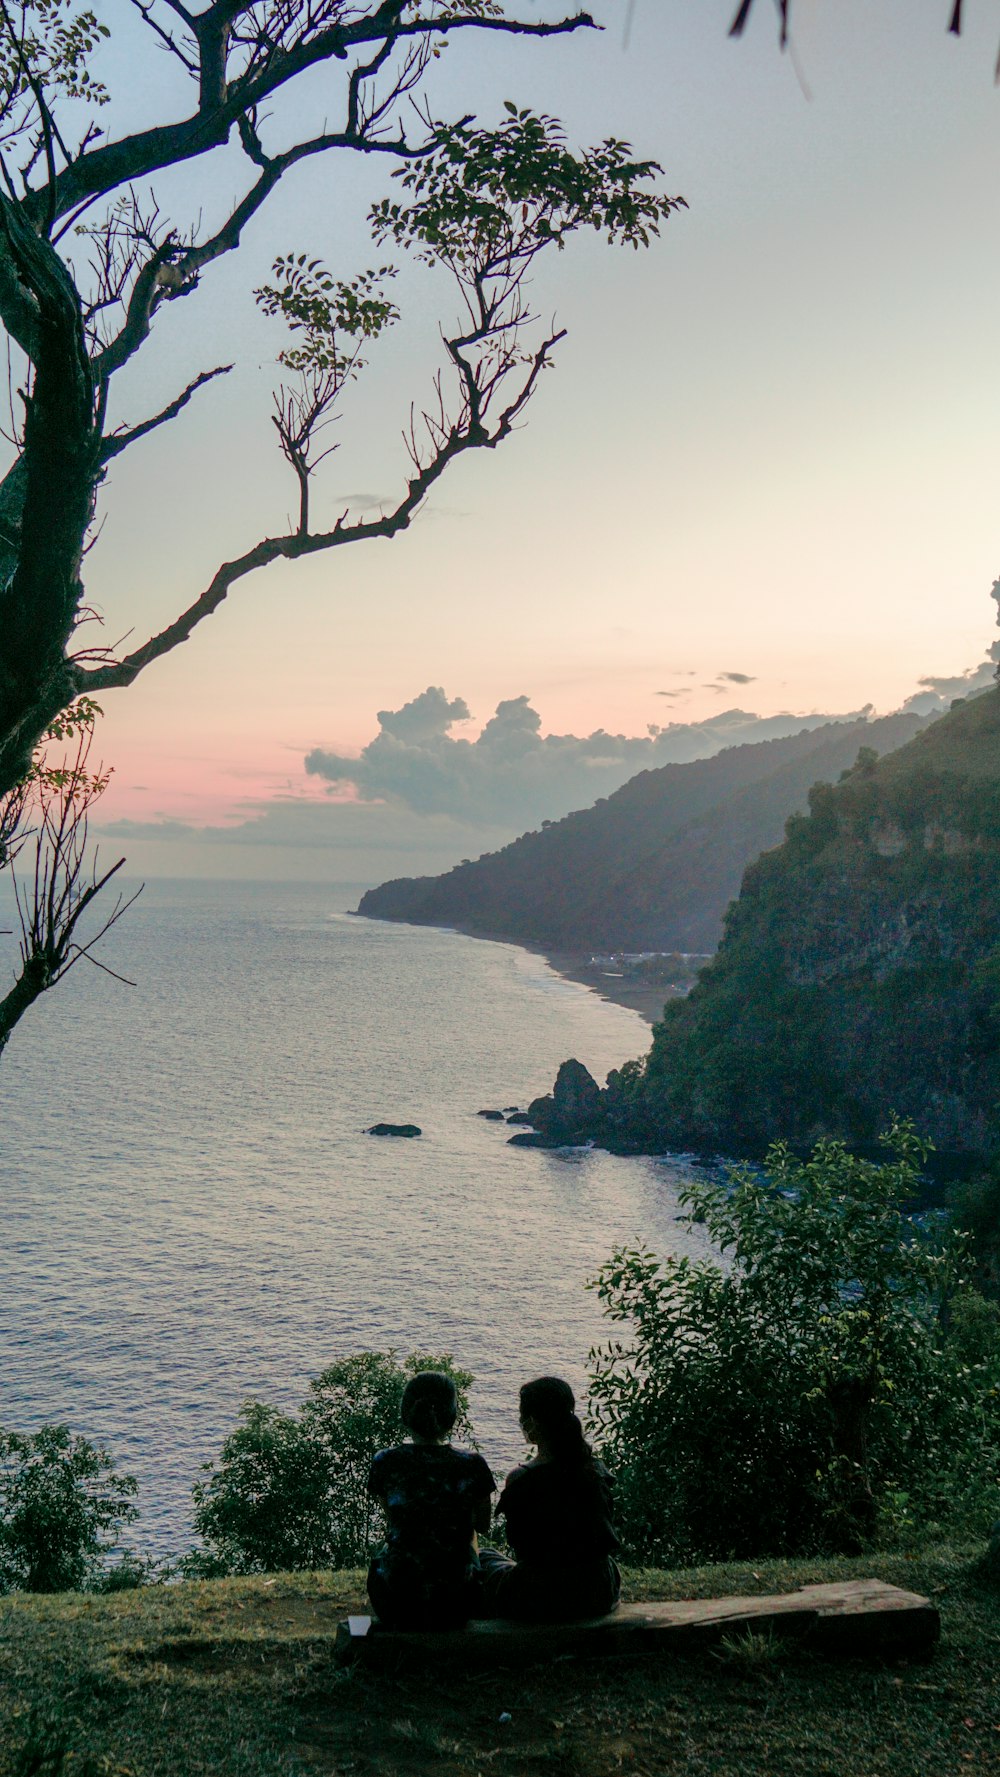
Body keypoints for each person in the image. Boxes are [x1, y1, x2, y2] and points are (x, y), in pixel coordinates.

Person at [475, 1375, 622, 1623]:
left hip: (542, 1595)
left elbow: (522, 1547)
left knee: (484, 1557)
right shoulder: (596, 1471)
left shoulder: (522, 1479)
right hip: (599, 1588)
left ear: (532, 1421)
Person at [366, 1370, 494, 1630]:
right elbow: (482, 1524)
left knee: (387, 1553)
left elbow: (395, 1518)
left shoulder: (386, 1462)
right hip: (457, 1604)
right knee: (478, 1550)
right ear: (451, 1416)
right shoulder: (472, 1465)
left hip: (396, 1603)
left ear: (407, 1412)